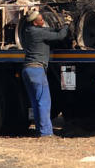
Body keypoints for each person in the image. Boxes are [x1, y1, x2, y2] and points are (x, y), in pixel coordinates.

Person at [20, 10, 69, 138]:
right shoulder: (38, 32)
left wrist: (56, 28)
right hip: (37, 70)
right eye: (41, 20)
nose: (43, 21)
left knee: (36, 102)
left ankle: (40, 131)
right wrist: (67, 25)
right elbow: (60, 36)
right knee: (44, 101)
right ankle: (46, 134)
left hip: (27, 70)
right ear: (35, 23)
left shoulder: (29, 31)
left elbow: (49, 30)